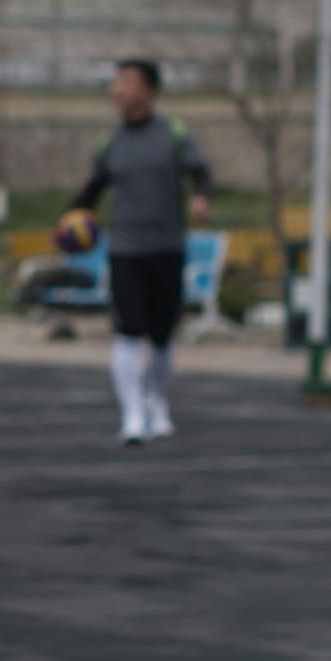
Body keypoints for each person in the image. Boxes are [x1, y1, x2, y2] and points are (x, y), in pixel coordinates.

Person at [67, 58, 213, 444]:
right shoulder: (110, 142)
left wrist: (201, 198)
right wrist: (68, 222)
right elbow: (91, 192)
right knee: (128, 331)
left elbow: (200, 172)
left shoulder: (174, 134)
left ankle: (156, 402)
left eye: (127, 82)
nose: (118, 89)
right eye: (116, 82)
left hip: (167, 247)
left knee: (162, 336)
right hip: (125, 250)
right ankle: (131, 414)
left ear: (148, 91)